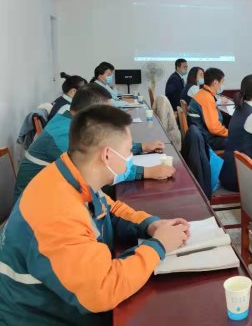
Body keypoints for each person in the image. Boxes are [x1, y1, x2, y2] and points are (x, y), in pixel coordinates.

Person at [0, 104, 190, 325]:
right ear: (107, 155)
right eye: (129, 150)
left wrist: (150, 225)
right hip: (44, 317)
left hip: (66, 304)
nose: (130, 157)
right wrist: (159, 246)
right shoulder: (56, 210)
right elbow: (102, 290)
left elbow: (112, 210)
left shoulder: (72, 176)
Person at [15, 83, 174, 200]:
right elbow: (100, 165)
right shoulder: (64, 134)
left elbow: (105, 147)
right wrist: (147, 172)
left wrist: (141, 146)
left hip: (60, 194)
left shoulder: (72, 121)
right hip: (39, 207)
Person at [190, 67, 228, 150]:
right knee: (239, 141)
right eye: (222, 82)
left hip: (203, 135)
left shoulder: (203, 92)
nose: (222, 84)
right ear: (215, 83)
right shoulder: (207, 98)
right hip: (208, 139)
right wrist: (230, 133)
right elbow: (214, 128)